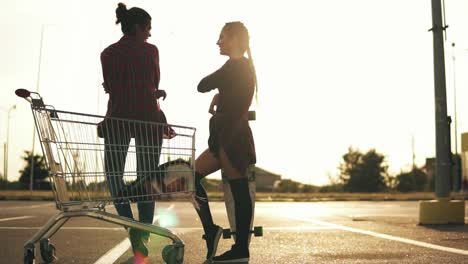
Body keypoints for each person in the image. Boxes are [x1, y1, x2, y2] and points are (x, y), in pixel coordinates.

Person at [100, 3, 167, 263]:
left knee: (114, 176)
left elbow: (111, 87)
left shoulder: (108, 53)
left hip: (118, 120)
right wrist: (155, 92)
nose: (150, 33)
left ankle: (132, 229)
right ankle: (143, 237)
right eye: (148, 27)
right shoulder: (151, 51)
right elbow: (153, 83)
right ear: (138, 27)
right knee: (146, 181)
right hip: (148, 120)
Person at [193, 21, 258, 263]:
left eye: (222, 37)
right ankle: (211, 230)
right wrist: (221, 93)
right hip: (225, 135)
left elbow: (202, 85)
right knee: (192, 177)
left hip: (232, 136)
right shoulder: (241, 67)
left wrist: (218, 89)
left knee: (240, 189)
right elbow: (232, 91)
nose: (218, 42)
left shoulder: (234, 66)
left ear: (234, 40)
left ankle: (241, 249)